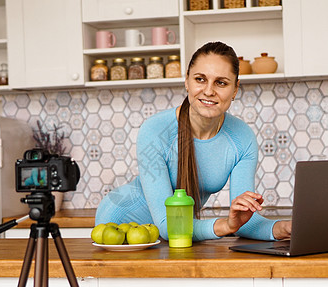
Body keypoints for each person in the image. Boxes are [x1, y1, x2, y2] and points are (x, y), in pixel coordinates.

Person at [95, 41, 292, 241]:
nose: (208, 91)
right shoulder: (155, 130)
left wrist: (285, 228)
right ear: (187, 81)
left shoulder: (242, 138)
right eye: (200, 79)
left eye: (221, 83)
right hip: (121, 225)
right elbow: (167, 225)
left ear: (235, 89)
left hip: (180, 235)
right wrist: (226, 225)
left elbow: (244, 221)